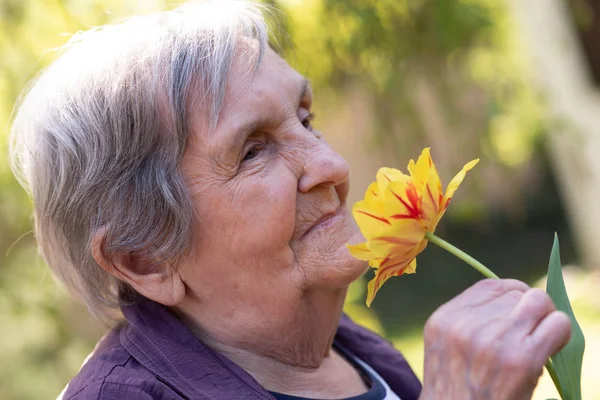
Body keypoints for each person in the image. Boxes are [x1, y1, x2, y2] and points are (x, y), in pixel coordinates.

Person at [9, 1, 571, 399]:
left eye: (306, 119)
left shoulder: (349, 353)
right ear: (146, 258)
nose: (332, 167)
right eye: (253, 151)